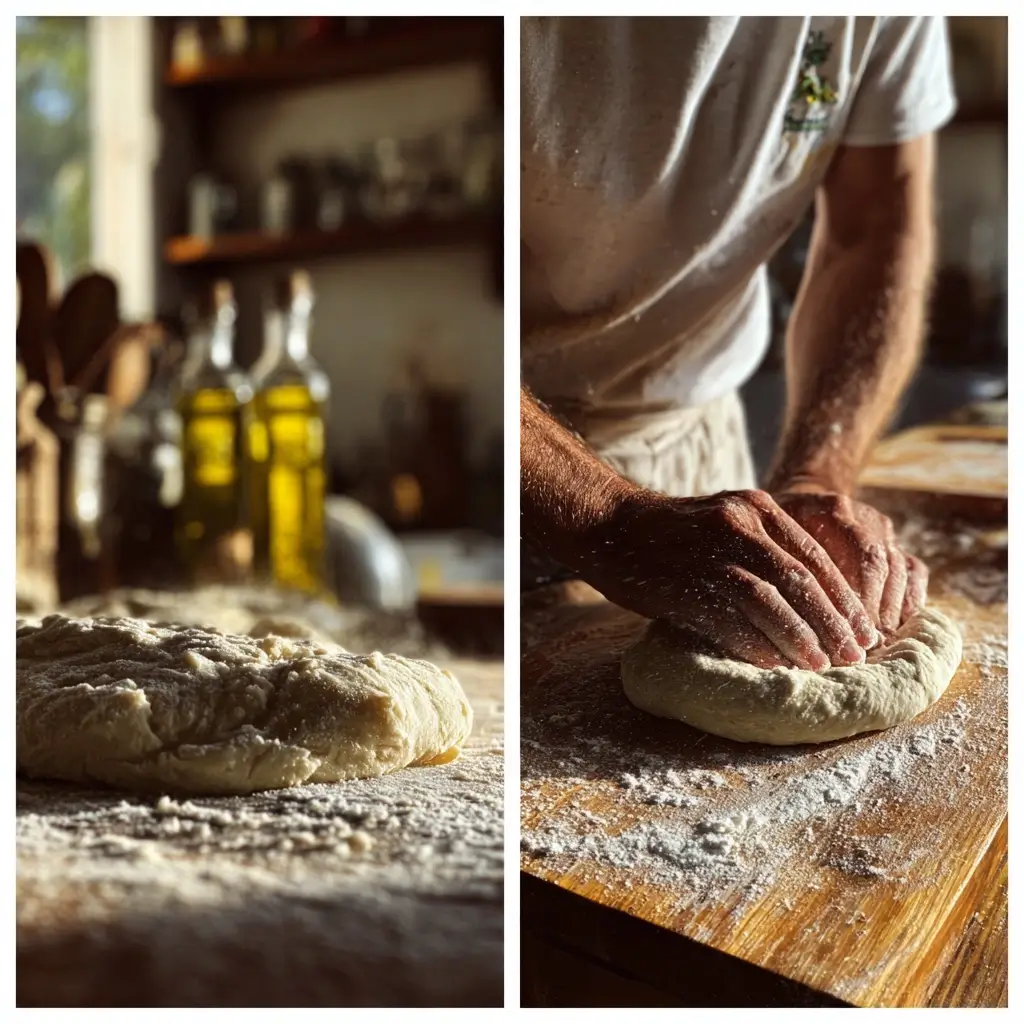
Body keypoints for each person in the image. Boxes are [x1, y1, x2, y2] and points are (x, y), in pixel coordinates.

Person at [520, 16, 957, 671]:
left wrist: (818, 473)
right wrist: (608, 518)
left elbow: (874, 228)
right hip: (521, 468)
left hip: (697, 456)